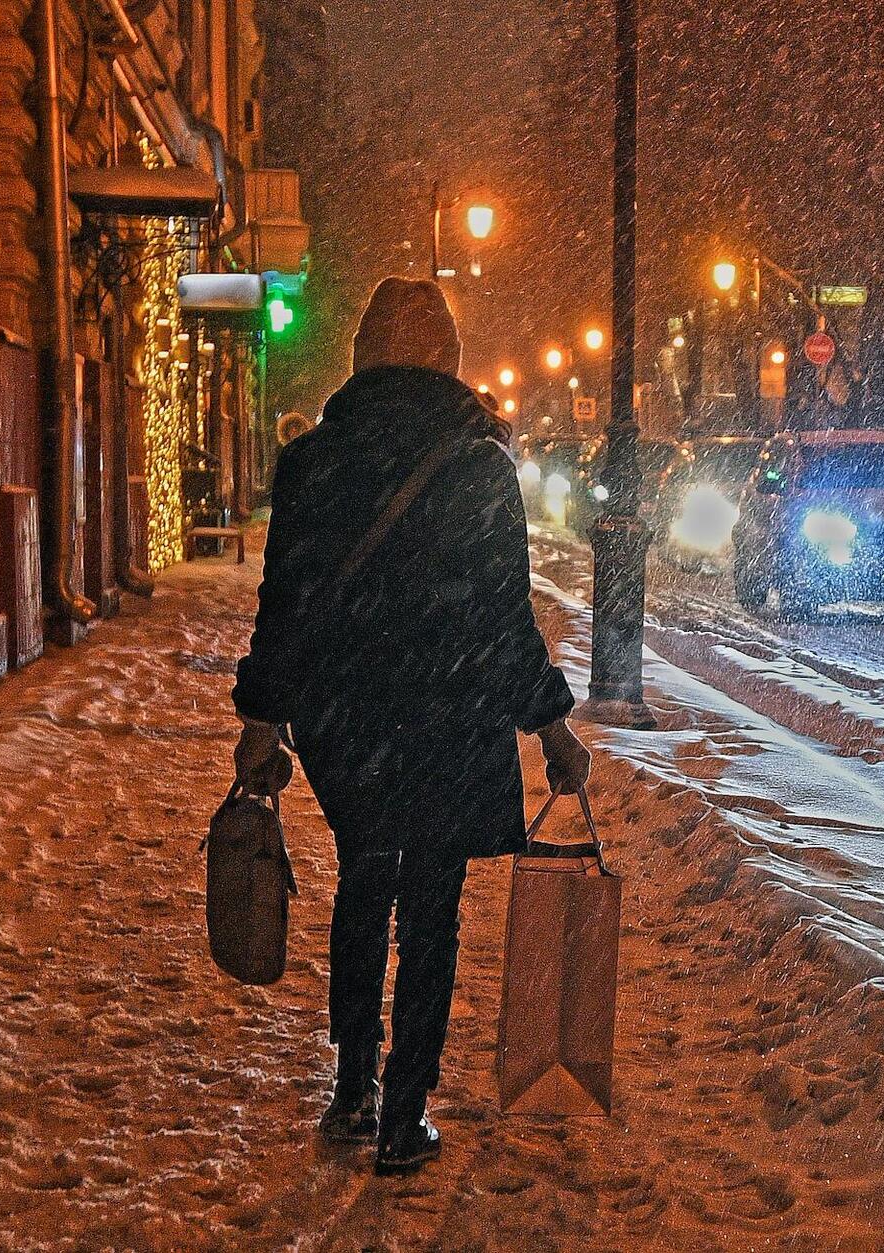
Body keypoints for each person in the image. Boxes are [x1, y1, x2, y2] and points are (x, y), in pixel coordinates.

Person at [231, 276, 591, 1175]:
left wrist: (265, 716)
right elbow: (503, 618)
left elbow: (288, 606)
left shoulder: (313, 463)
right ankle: (404, 1111)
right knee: (432, 906)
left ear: (361, 357)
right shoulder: (478, 468)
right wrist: (549, 727)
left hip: (345, 723)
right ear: (449, 359)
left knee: (364, 878)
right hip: (448, 713)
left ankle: (352, 1083)